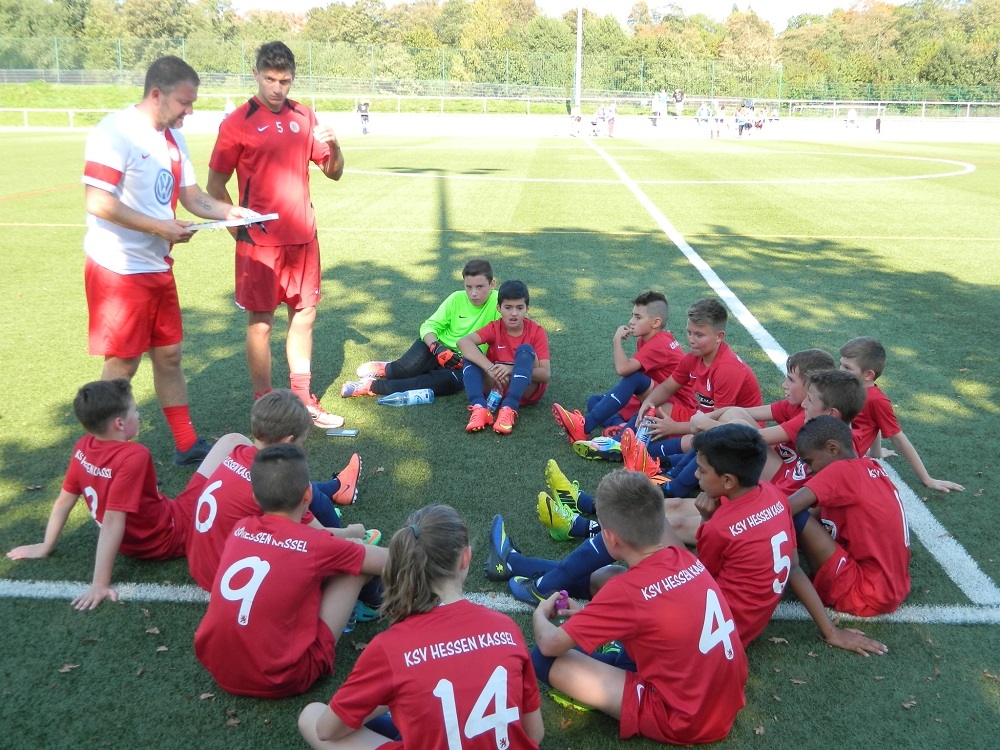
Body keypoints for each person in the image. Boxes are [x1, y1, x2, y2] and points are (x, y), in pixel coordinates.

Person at [82, 55, 256, 467]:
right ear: (157, 94)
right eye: (184, 102)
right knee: (123, 362)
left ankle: (186, 443)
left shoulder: (173, 138)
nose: (189, 111)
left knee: (170, 355)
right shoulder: (115, 132)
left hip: (157, 266)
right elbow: (97, 201)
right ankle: (101, 458)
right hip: (119, 268)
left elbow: (192, 197)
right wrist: (159, 227)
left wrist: (231, 211)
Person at [299, 505, 544, 749]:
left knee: (311, 716)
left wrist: (391, 693)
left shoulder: (390, 648)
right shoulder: (506, 628)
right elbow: (534, 734)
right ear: (466, 557)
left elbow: (326, 730)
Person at [530, 470, 747, 744]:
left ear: (611, 538)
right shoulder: (682, 557)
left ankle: (595, 687)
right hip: (726, 697)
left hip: (684, 718)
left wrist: (540, 614)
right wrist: (587, 617)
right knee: (629, 632)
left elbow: (549, 645)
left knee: (542, 659)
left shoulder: (626, 591)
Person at [5, 379, 243, 609]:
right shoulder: (134, 455)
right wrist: (99, 584)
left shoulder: (82, 447)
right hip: (171, 534)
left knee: (223, 457)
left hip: (135, 541)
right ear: (119, 423)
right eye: (134, 411)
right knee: (232, 441)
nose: (138, 415)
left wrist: (46, 545)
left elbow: (63, 501)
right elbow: (112, 520)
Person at [206, 41, 346, 430]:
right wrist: (240, 233)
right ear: (256, 75)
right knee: (261, 324)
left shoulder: (304, 116)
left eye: (284, 81)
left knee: (305, 315)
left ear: (292, 78)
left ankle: (302, 399)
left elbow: (333, 172)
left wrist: (335, 146)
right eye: (269, 79)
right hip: (259, 246)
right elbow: (215, 187)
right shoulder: (237, 122)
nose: (277, 88)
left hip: (303, 238)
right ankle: (264, 404)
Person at [194, 443, 388, 698]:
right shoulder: (316, 543)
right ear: (308, 495)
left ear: (255, 497)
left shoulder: (241, 527)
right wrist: (356, 544)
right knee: (357, 565)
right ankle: (376, 605)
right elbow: (387, 561)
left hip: (219, 668)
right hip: (282, 679)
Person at [186, 389, 371, 592]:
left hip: (200, 564)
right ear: (287, 441)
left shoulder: (237, 453)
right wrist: (350, 533)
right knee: (329, 550)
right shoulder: (275, 482)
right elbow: (321, 536)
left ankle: (338, 487)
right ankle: (367, 597)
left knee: (308, 493)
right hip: (232, 579)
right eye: (301, 442)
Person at [789, 416, 912, 616]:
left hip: (863, 592)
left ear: (832, 448)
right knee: (808, 514)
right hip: (892, 586)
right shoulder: (871, 466)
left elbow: (783, 509)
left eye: (809, 461)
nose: (808, 469)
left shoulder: (841, 470)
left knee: (794, 517)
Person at [341, 258, 499, 399]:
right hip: (437, 347)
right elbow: (428, 326)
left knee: (443, 383)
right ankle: (388, 368)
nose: (473, 293)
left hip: (466, 361)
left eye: (479, 287)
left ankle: (370, 386)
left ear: (492, 284)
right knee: (403, 370)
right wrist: (437, 348)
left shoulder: (500, 304)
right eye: (468, 287)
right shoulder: (456, 298)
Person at [551, 291, 686, 451]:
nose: (631, 321)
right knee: (595, 401)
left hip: (677, 407)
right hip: (658, 395)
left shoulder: (659, 343)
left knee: (633, 378)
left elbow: (624, 369)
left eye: (638, 317)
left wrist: (616, 341)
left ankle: (586, 427)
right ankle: (620, 426)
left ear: (656, 322)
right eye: (632, 315)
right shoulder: (648, 340)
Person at [839, 337, 964, 493]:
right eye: (841, 364)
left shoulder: (876, 400)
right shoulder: (847, 387)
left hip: (842, 460)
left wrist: (927, 479)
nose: (840, 370)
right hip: (834, 449)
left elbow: (898, 438)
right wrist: (876, 454)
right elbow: (873, 423)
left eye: (847, 368)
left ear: (868, 375)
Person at [637, 298, 762, 443]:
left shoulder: (728, 370)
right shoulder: (693, 358)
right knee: (654, 407)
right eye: (689, 332)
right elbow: (666, 388)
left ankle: (654, 450)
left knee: (689, 444)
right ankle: (627, 440)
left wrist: (675, 427)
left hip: (738, 434)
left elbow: (717, 424)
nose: (691, 340)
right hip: (704, 417)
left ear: (719, 336)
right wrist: (648, 402)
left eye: (699, 335)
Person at [458, 280, 550, 435]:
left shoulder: (536, 331)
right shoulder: (495, 327)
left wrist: (512, 369)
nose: (514, 313)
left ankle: (509, 408)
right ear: (499, 308)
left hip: (525, 392)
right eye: (508, 307)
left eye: (519, 308)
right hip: (495, 388)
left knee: (526, 350)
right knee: (471, 354)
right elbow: (463, 342)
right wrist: (490, 368)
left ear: (527, 308)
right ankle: (479, 408)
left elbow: (545, 375)